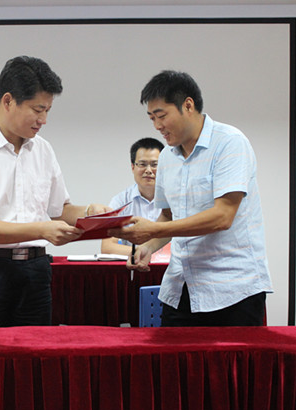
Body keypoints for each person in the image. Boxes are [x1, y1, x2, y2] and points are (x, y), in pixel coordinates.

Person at [0, 56, 109, 327]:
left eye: (48, 111)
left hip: (35, 273)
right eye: (37, 110)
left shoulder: (42, 149)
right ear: (8, 101)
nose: (43, 120)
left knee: (35, 351)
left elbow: (59, 211)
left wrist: (91, 211)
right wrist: (41, 230)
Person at [109, 70, 273, 327]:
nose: (157, 126)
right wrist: (148, 247)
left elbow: (222, 216)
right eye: (152, 118)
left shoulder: (230, 143)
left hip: (233, 289)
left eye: (162, 116)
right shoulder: (167, 157)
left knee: (232, 356)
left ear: (188, 105)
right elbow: (168, 216)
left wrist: (153, 229)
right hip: (181, 286)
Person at [100, 137, 164, 256]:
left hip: (171, 264)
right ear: (133, 167)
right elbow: (107, 247)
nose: (149, 170)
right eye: (142, 164)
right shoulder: (120, 201)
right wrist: (146, 254)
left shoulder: (174, 198)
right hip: (134, 264)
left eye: (155, 165)